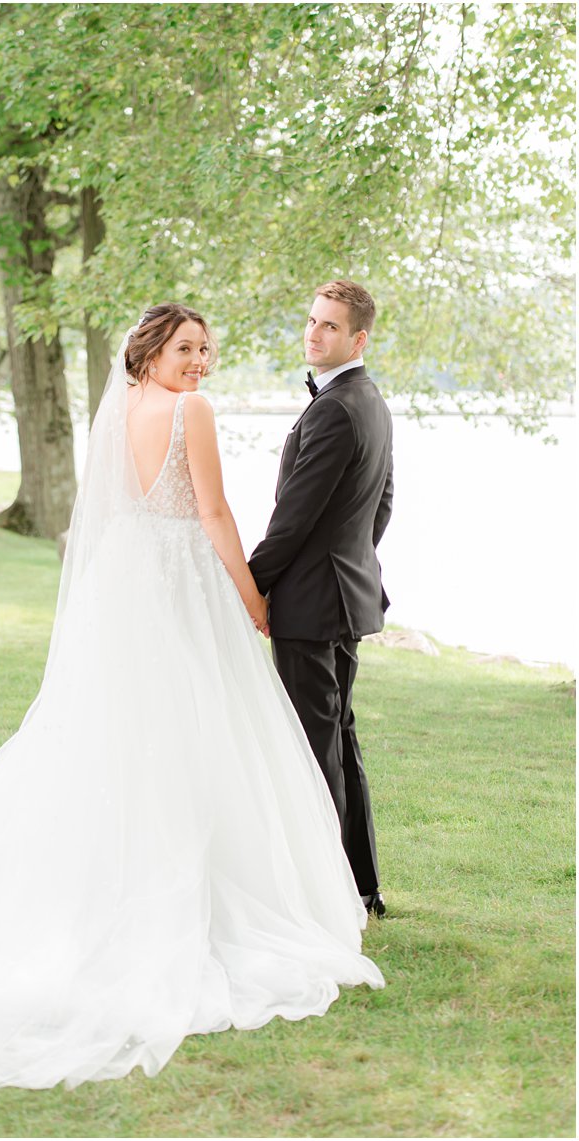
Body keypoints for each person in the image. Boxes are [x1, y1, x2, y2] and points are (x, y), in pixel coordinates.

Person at [0, 304, 384, 1093]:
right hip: (179, 587)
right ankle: (198, 906)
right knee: (195, 734)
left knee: (118, 737)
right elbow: (214, 512)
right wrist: (252, 598)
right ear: (152, 348)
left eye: (207, 347)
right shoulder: (189, 411)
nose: (201, 360)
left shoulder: (118, 408)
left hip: (121, 587)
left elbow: (110, 512)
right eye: (187, 346)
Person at [249, 280, 393, 918]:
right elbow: (381, 505)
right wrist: (349, 558)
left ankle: (327, 894)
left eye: (330, 326)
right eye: (311, 321)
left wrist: (248, 583)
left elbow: (294, 518)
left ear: (358, 338)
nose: (314, 333)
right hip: (346, 594)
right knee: (338, 740)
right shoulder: (370, 400)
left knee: (313, 748)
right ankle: (361, 885)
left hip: (313, 604)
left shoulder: (337, 407)